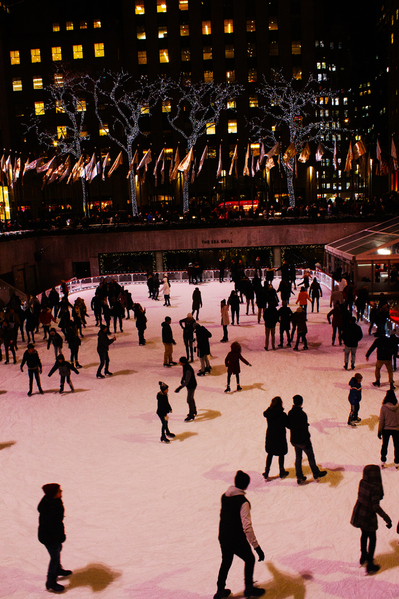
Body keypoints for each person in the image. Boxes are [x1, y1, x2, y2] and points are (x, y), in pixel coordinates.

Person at [214, 470, 265, 599]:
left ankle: (220, 591)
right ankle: (248, 589)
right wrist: (256, 547)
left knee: (226, 561)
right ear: (246, 485)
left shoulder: (224, 496)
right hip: (235, 538)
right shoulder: (243, 502)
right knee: (250, 559)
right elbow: (247, 527)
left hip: (223, 536)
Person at [350, 465, 392, 574]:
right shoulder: (375, 487)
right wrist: (386, 518)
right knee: (372, 538)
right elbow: (376, 506)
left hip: (360, 513)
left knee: (364, 535)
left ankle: (363, 556)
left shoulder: (362, 482)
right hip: (369, 516)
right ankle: (370, 564)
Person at [38, 483, 72, 592]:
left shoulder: (54, 501)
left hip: (54, 535)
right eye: (59, 491)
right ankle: (51, 581)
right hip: (49, 537)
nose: (61, 492)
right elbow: (53, 526)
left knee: (58, 550)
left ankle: (57, 569)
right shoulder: (49, 509)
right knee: (54, 556)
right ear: (53, 494)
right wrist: (59, 536)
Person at [287, 395, 327, 484]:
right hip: (303, 440)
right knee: (310, 456)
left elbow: (289, 425)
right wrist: (307, 440)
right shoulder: (302, 414)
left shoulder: (290, 413)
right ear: (301, 403)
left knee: (298, 458)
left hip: (295, 440)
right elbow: (304, 429)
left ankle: (299, 476)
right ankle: (316, 473)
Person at [263, 397, 289, 480]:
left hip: (271, 436)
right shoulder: (282, 415)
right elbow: (288, 425)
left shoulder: (269, 413)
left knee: (270, 454)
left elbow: (265, 413)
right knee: (281, 454)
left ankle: (267, 472)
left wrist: (270, 407)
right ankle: (282, 471)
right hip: (280, 436)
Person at [378, 389, 399, 468]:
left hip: (386, 429)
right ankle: (397, 462)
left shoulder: (384, 408)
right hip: (396, 429)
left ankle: (383, 461)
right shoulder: (398, 407)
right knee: (397, 446)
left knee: (384, 445)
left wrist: (379, 431)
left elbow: (381, 420)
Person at [175, 356, 197, 421]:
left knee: (189, 400)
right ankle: (194, 411)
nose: (179, 362)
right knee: (191, 398)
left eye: (180, 361)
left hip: (191, 385)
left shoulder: (188, 370)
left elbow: (187, 382)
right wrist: (182, 379)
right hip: (190, 385)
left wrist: (179, 387)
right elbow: (184, 375)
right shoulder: (185, 366)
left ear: (183, 363)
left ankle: (191, 415)